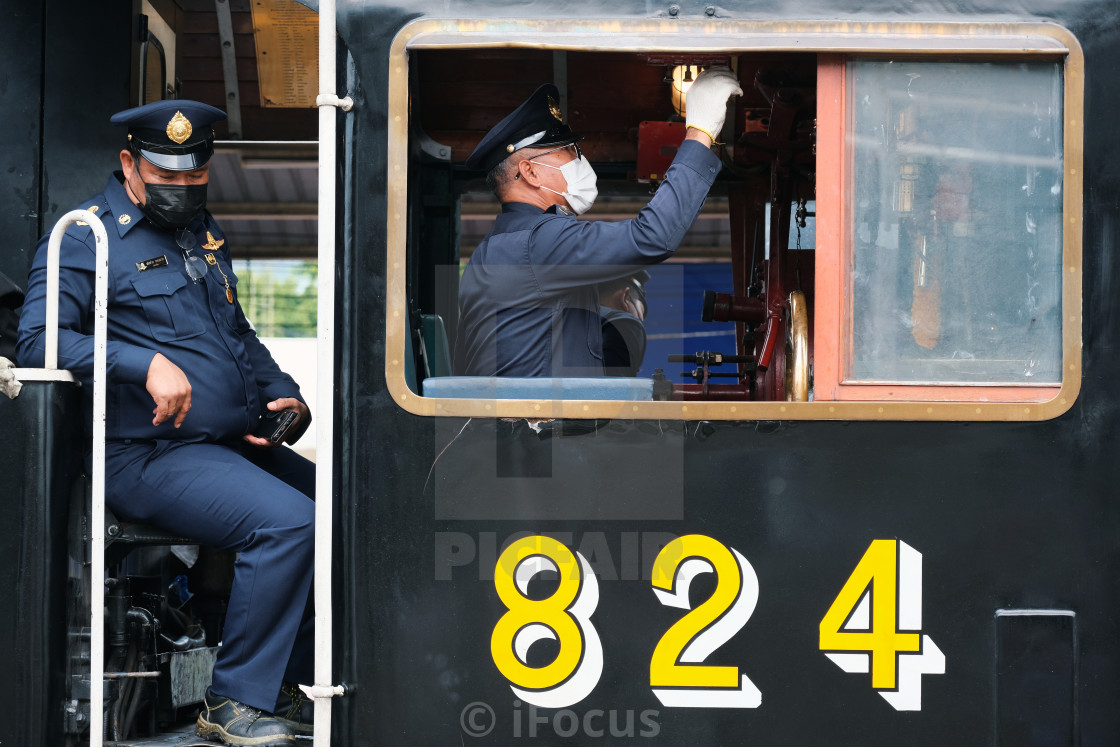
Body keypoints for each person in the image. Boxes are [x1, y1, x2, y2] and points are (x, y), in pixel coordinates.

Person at [16, 100, 314, 745]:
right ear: (130, 164)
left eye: (193, 174)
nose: (181, 188)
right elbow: (37, 340)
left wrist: (280, 391)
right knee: (289, 522)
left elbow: (236, 333)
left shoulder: (198, 234)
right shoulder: (84, 236)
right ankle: (235, 701)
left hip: (223, 444)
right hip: (144, 451)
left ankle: (285, 685)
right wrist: (140, 360)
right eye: (165, 175)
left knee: (345, 508)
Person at [453, 68, 742, 377]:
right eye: (566, 150)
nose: (579, 158)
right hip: (536, 425)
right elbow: (652, 236)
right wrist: (700, 134)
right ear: (531, 172)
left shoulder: (499, 246)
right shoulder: (538, 241)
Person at [598, 270, 650, 376]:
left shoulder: (563, 320)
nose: (640, 321)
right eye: (640, 314)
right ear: (625, 297)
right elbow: (614, 389)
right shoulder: (624, 323)